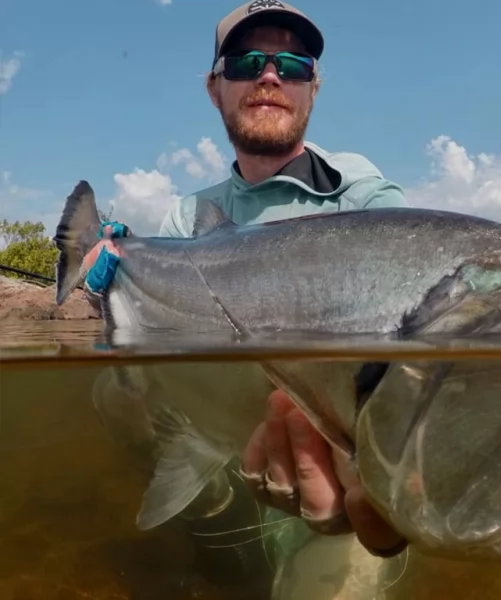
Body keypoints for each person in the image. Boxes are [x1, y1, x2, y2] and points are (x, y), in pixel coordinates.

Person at [83, 0, 407, 564]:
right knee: (110, 392)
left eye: (293, 66)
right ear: (215, 88)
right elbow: (158, 336)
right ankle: (212, 518)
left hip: (334, 469)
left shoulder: (362, 196)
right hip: (221, 436)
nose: (269, 77)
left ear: (313, 89)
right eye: (245, 63)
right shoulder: (189, 215)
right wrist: (108, 285)